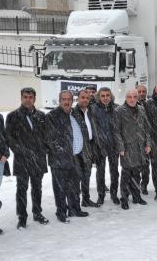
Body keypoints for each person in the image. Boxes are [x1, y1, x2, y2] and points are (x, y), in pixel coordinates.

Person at [5, 88, 49, 229]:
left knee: (37, 188)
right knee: (21, 190)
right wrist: (22, 150)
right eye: (25, 97)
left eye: (30, 97)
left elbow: (46, 136)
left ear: (34, 99)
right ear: (21, 98)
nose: (28, 99)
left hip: (38, 159)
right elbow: (9, 138)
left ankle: (37, 212)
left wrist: (43, 150)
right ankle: (22, 217)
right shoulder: (13, 116)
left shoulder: (41, 115)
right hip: (22, 159)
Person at [46, 91, 90, 223]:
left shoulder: (74, 114)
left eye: (69, 99)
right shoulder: (52, 116)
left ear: (72, 101)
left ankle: (75, 209)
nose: (66, 102)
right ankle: (61, 212)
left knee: (74, 186)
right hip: (60, 159)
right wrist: (62, 152)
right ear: (59, 100)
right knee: (60, 188)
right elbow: (49, 139)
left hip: (75, 157)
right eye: (63, 99)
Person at [114, 89, 152, 210]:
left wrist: (148, 144)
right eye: (129, 97)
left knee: (137, 174)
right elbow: (116, 131)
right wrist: (120, 147)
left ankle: (136, 196)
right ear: (126, 98)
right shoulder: (119, 111)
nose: (132, 99)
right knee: (126, 175)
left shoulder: (141, 109)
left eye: (134, 97)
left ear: (137, 97)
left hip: (140, 147)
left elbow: (146, 128)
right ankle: (124, 198)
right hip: (127, 148)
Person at [72, 89, 100, 209]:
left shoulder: (91, 112)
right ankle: (75, 202)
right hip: (77, 149)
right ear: (78, 98)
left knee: (86, 175)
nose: (85, 100)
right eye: (82, 97)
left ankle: (86, 199)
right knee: (76, 176)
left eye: (87, 98)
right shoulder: (72, 112)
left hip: (89, 148)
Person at [92, 87, 120, 205]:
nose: (105, 98)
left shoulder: (117, 108)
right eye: (102, 95)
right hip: (99, 146)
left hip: (113, 146)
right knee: (100, 172)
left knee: (114, 172)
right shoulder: (93, 109)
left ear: (111, 96)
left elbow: (120, 127)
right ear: (99, 96)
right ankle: (101, 195)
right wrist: (99, 144)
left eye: (107, 95)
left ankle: (114, 194)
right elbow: (93, 129)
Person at [136, 84, 150, 194]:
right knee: (135, 165)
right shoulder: (131, 104)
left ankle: (144, 185)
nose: (141, 93)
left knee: (146, 165)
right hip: (135, 139)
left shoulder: (150, 105)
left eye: (143, 91)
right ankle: (134, 185)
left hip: (148, 139)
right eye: (139, 91)